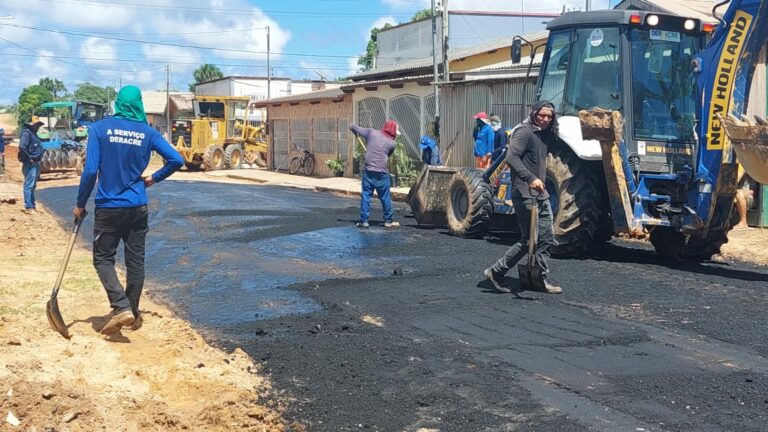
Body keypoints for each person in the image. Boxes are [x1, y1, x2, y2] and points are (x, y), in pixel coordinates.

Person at [73, 86, 184, 335]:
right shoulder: (147, 132)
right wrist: (154, 178)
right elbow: (176, 159)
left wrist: (80, 204)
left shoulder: (100, 129)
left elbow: (90, 171)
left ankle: (121, 306)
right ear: (139, 105)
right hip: (137, 206)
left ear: (118, 104)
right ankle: (131, 313)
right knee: (135, 261)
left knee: (102, 258)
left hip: (109, 207)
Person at [484, 100, 562, 294]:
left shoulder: (545, 134)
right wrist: (530, 178)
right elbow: (511, 157)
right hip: (524, 192)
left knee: (546, 238)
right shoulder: (524, 132)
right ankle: (496, 272)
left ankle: (539, 279)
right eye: (541, 115)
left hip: (540, 193)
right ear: (534, 113)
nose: (545, 119)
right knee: (528, 240)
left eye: (549, 116)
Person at [349, 120, 399, 229]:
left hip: (369, 171)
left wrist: (353, 129)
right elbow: (387, 155)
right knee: (385, 197)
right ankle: (388, 221)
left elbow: (353, 126)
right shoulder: (392, 143)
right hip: (382, 173)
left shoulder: (371, 133)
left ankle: (364, 221)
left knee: (366, 196)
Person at [18, 116, 46, 214]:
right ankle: (28, 207)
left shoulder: (34, 134)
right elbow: (22, 146)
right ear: (32, 124)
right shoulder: (26, 133)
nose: (38, 127)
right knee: (29, 185)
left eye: (39, 125)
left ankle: (33, 205)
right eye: (37, 125)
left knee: (33, 185)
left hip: (35, 163)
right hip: (30, 163)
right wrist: (29, 158)